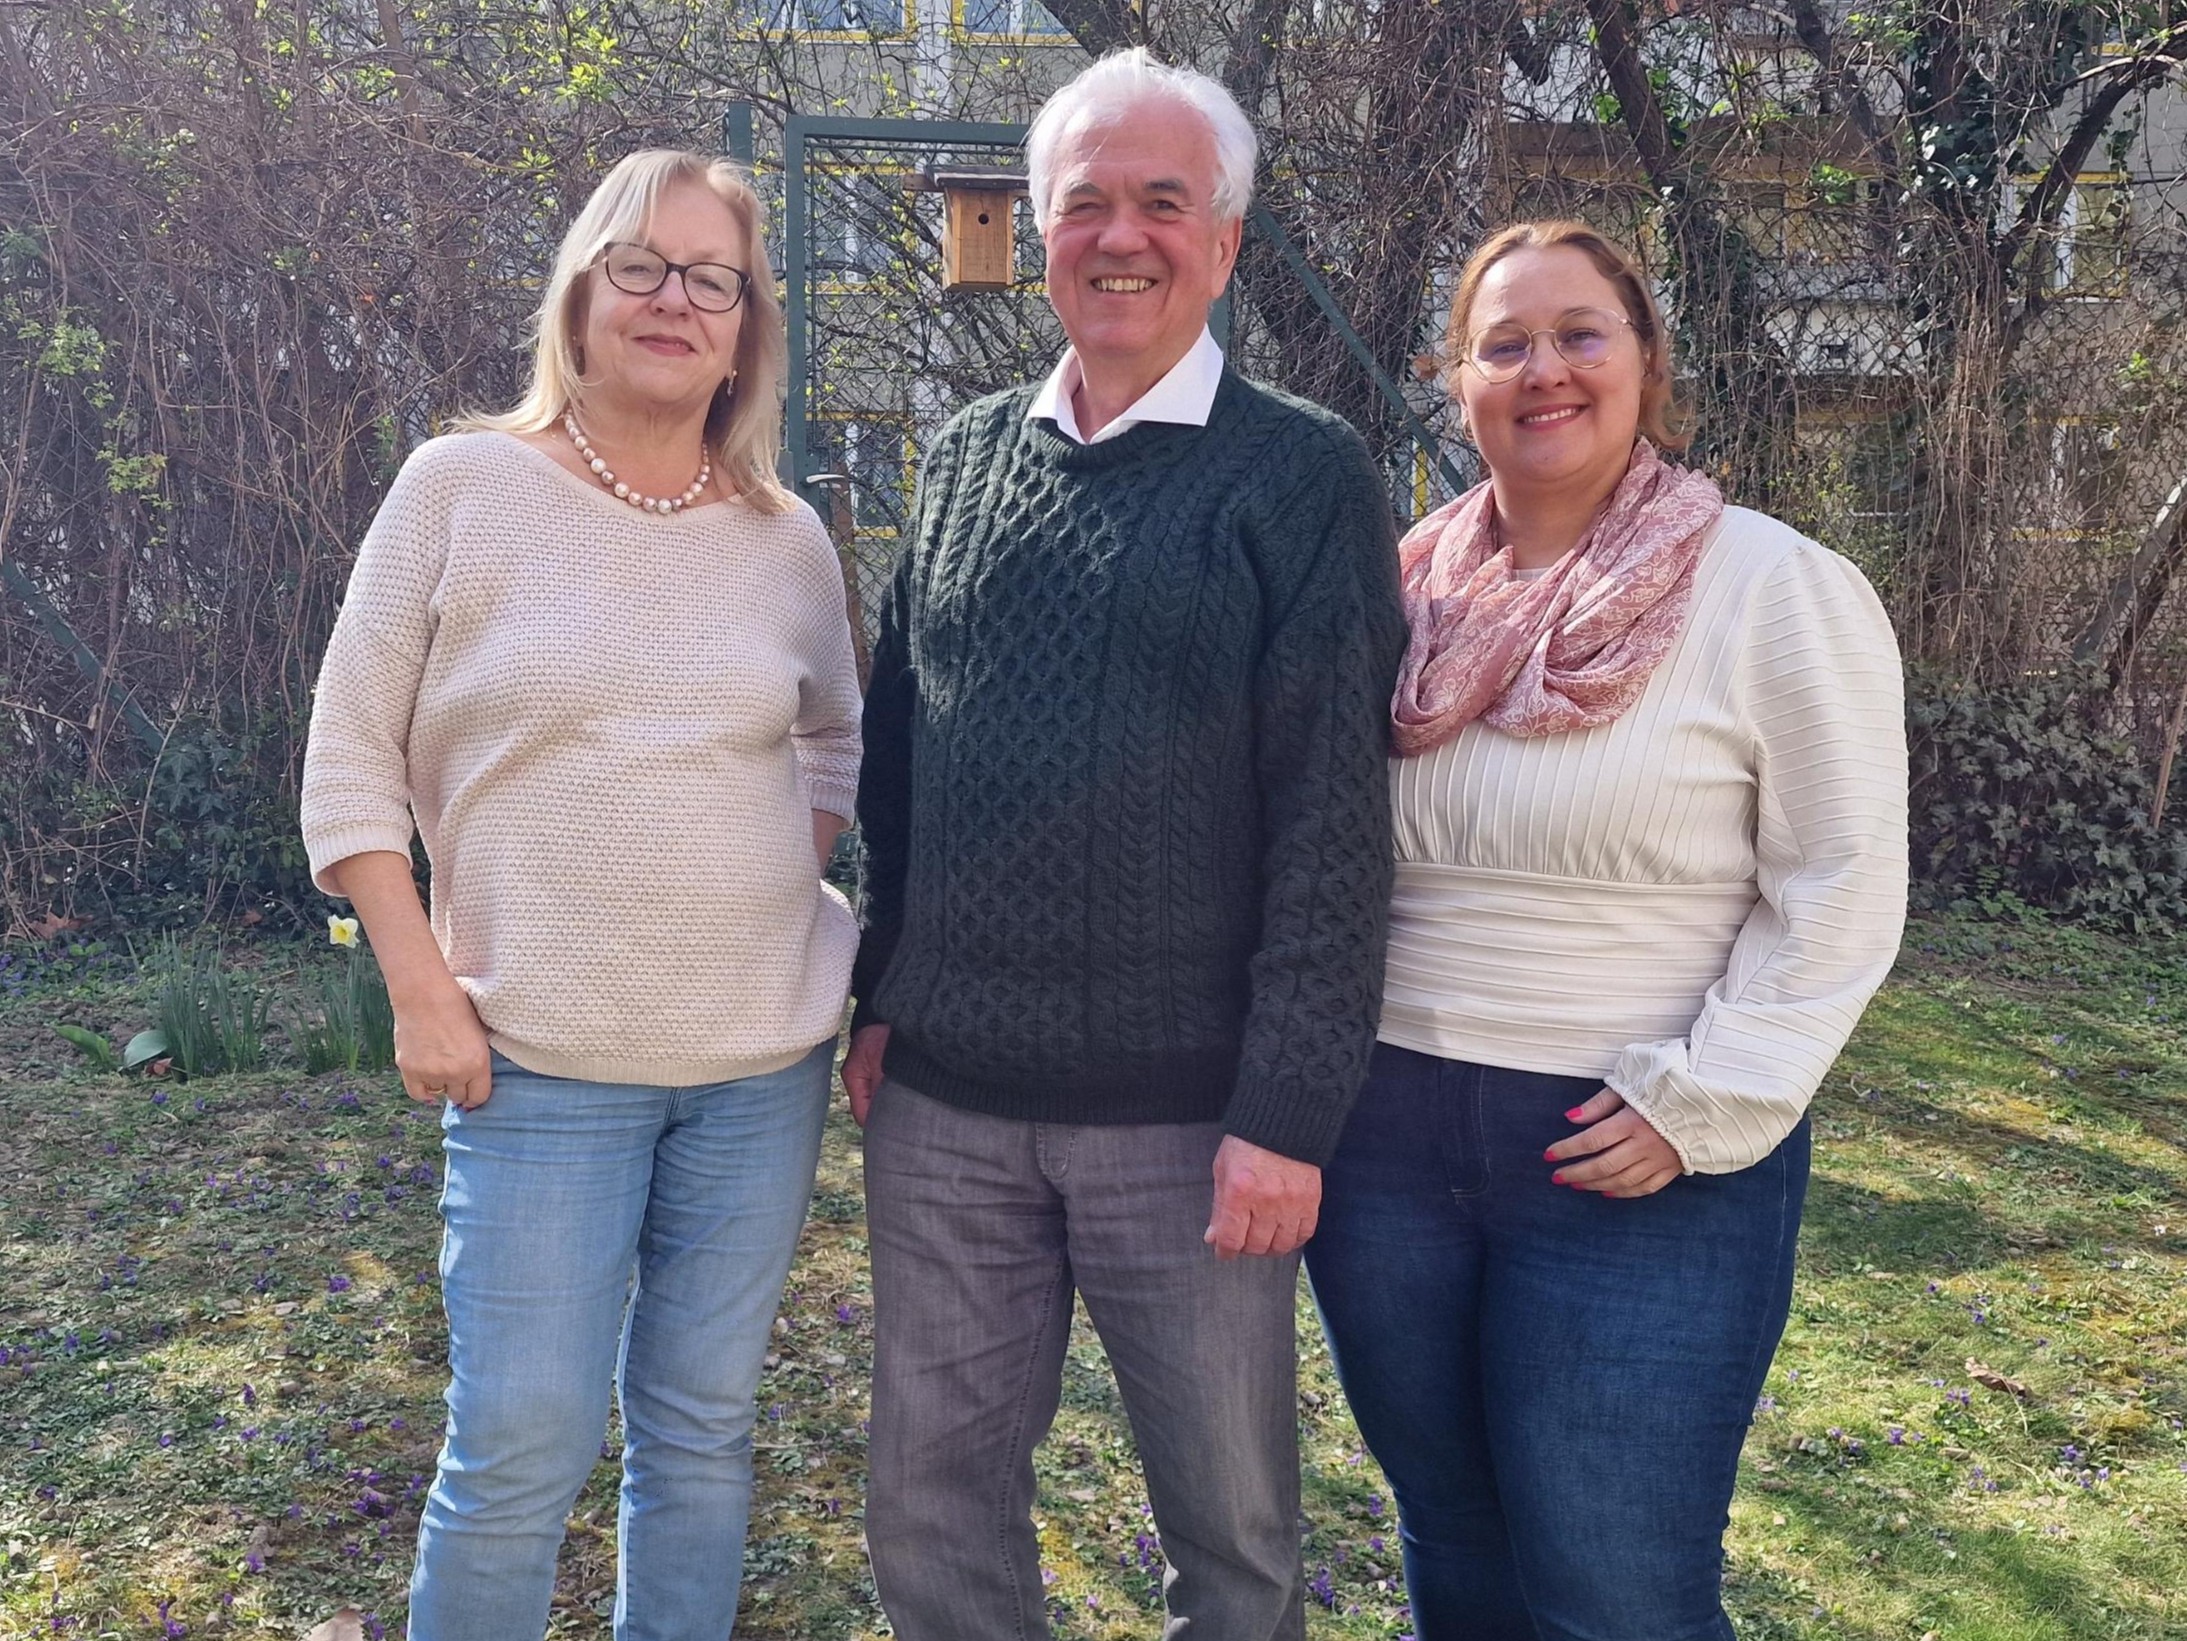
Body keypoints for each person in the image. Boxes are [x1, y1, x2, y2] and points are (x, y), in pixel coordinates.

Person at [840, 47, 1407, 1641]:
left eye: (1165, 201)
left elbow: (1334, 822)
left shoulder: (1299, 477)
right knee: (929, 1504)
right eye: (1085, 203)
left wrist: (1288, 1110)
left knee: (1230, 1533)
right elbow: (902, 757)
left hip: (1193, 1126)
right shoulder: (955, 465)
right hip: (946, 1111)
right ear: (1039, 234)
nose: (1122, 235)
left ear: (1223, 241)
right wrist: (880, 984)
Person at [1303, 219, 1909, 1641]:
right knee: (1454, 1547)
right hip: (1384, 1138)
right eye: (1503, 343)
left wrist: (1704, 1097)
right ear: (1457, 382)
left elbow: (1842, 876)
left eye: (1580, 333)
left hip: (1632, 1146)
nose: (1544, 370)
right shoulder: (1404, 592)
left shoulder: (1773, 588)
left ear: (1646, 361)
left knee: (1614, 1591)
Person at [298, 149, 862, 1641]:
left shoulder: (785, 537)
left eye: (711, 279)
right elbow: (347, 758)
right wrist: (420, 987)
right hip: (534, 1063)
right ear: (581, 291)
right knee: (517, 1455)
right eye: (640, 266)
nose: (673, 300)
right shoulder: (461, 487)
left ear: (746, 326)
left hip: (757, 1073)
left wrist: (763, 882)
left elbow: (837, 738)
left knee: (698, 1440)